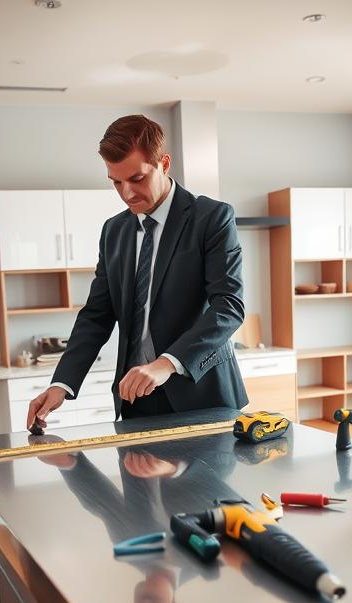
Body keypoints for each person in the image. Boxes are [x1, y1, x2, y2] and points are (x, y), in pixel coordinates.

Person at [26, 114, 247, 430]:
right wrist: (63, 383)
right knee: (137, 482)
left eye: (138, 178)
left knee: (200, 483)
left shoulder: (211, 218)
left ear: (164, 164)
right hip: (135, 402)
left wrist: (165, 364)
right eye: (117, 182)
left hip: (202, 397)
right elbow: (96, 315)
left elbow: (229, 308)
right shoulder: (113, 231)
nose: (127, 193)